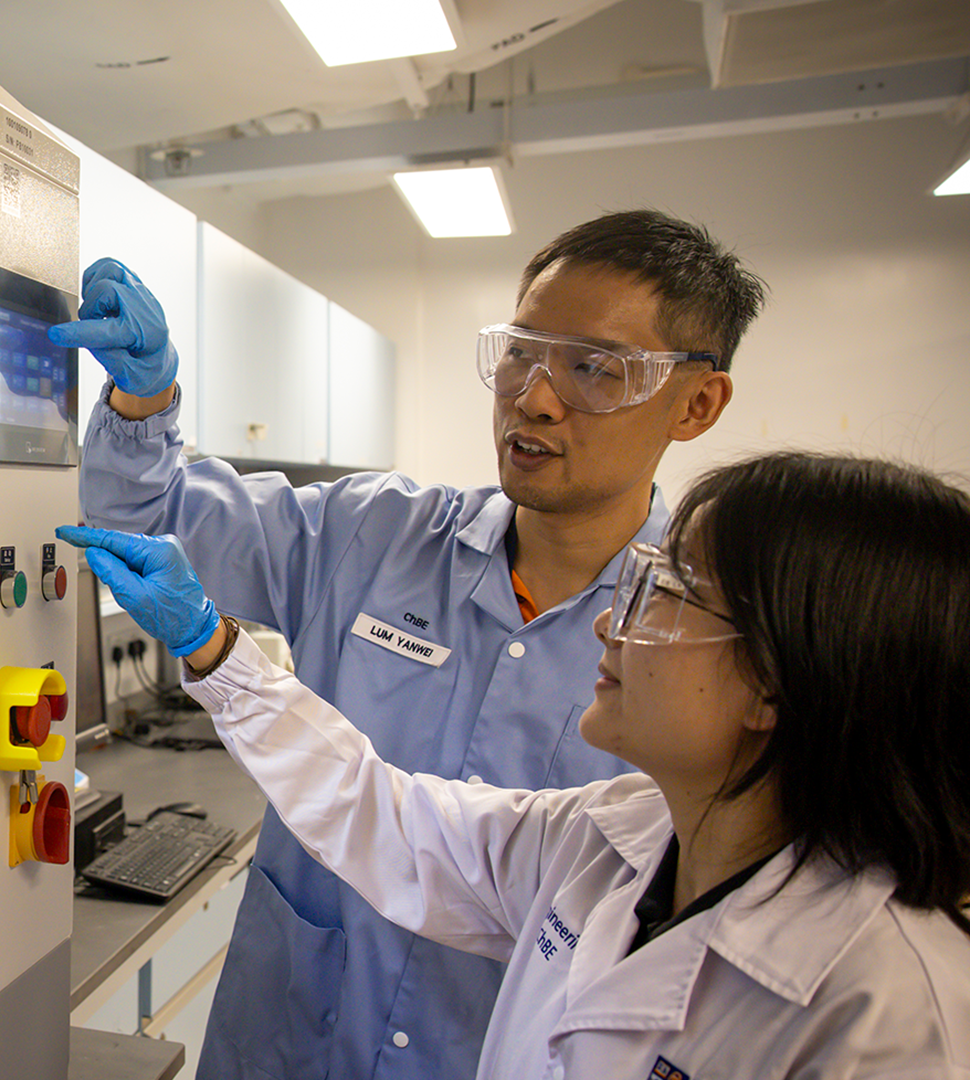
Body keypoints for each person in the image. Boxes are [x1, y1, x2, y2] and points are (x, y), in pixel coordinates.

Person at [49, 210, 767, 1079]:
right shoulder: (372, 535)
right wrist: (143, 401)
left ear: (697, 403)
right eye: (521, 353)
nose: (535, 397)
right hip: (286, 1048)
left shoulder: (693, 657)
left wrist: (218, 656)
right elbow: (146, 521)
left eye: (594, 368)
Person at [57, 449, 970, 1078]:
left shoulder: (896, 1018)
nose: (618, 620)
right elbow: (386, 818)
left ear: (781, 683)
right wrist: (216, 648)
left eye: (675, 593)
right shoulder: (612, 837)